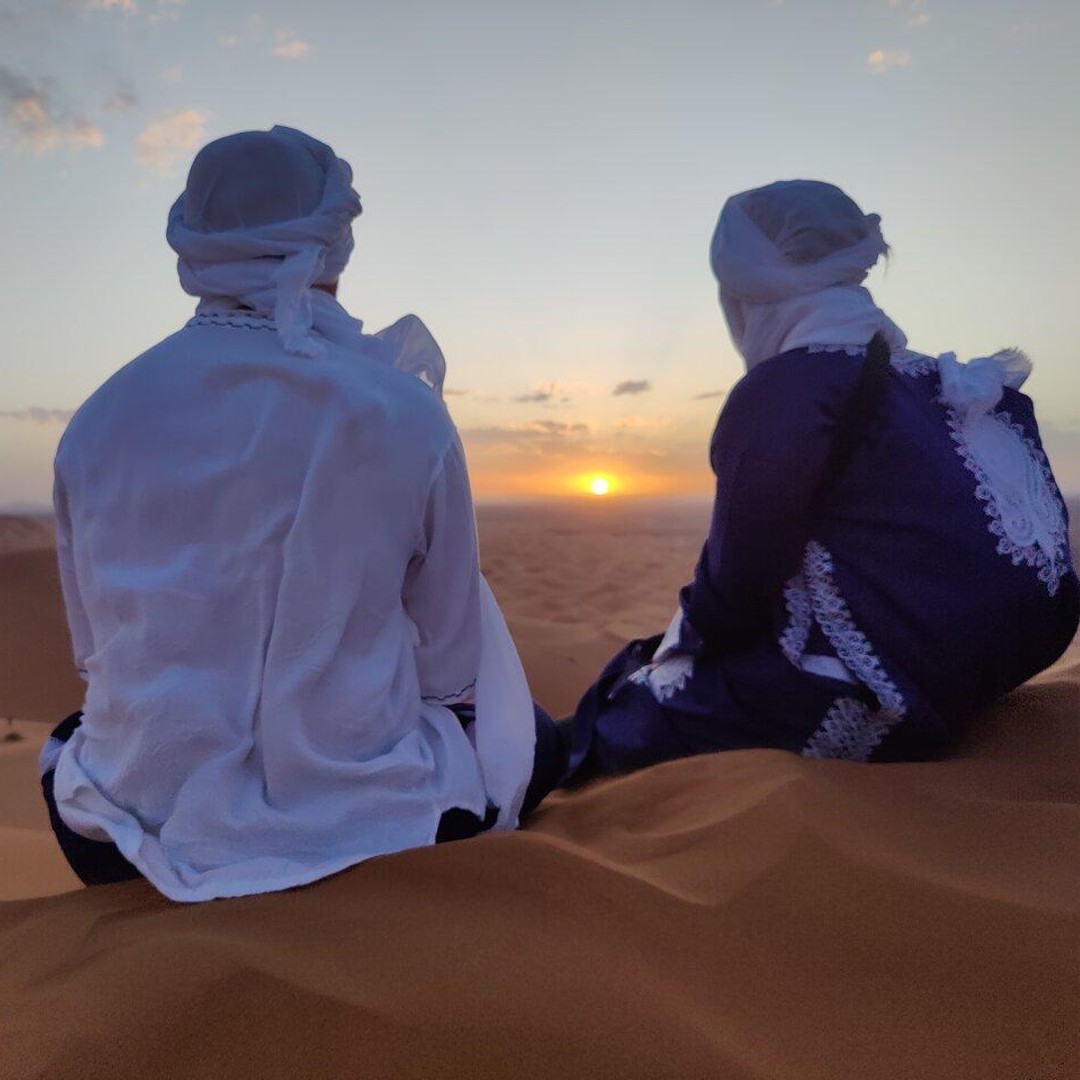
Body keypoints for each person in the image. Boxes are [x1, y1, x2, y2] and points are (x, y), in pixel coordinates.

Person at [41, 126, 566, 902]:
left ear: (192, 245)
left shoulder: (95, 422)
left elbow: (95, 653)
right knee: (537, 739)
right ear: (334, 243)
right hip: (371, 827)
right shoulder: (404, 414)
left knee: (65, 746)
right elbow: (450, 669)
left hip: (130, 836)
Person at [562, 179, 1079, 781]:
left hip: (883, 692)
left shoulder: (787, 390)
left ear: (746, 293)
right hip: (996, 665)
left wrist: (677, 649)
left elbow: (735, 594)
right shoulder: (942, 384)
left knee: (622, 711)